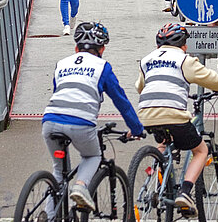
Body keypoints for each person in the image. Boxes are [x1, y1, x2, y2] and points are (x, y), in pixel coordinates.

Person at [135, 23, 218, 216]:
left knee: (163, 142)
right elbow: (212, 79)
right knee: (201, 150)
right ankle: (184, 192)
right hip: (173, 114)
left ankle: (154, 177)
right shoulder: (184, 59)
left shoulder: (146, 60)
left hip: (146, 113)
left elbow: (140, 86)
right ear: (184, 45)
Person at [43, 22, 145, 208]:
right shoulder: (102, 67)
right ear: (103, 48)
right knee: (92, 156)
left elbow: (59, 91)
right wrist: (136, 128)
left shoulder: (61, 64)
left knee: (58, 171)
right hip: (80, 122)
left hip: (50, 119)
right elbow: (120, 100)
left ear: (76, 48)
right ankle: (81, 187)